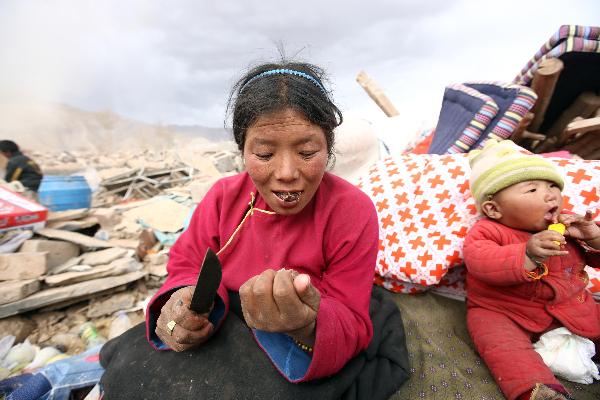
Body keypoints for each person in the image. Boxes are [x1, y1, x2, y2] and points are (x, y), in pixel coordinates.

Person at [145, 61, 379, 383]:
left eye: (308, 152)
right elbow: (186, 263)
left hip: (298, 351)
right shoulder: (222, 198)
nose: (286, 172)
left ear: (328, 147)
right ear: (243, 151)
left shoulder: (353, 212)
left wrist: (307, 323)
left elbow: (351, 318)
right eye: (265, 155)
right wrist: (183, 303)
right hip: (224, 326)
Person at [463, 139, 600, 400]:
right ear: (494, 209)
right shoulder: (487, 230)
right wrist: (526, 253)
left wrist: (593, 237)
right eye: (532, 190)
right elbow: (480, 262)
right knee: (498, 343)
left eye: (553, 186)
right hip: (504, 310)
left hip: (573, 306)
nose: (551, 195)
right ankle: (537, 390)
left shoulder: (569, 225)